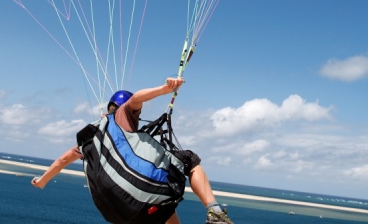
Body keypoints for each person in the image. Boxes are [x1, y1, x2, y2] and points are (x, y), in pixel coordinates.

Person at [32, 77, 233, 224]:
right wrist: (166, 89)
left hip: (117, 213)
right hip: (136, 197)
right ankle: (214, 210)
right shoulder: (123, 115)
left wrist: (42, 181)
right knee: (189, 161)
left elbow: (62, 160)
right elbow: (136, 98)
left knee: (162, 207)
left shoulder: (92, 137)